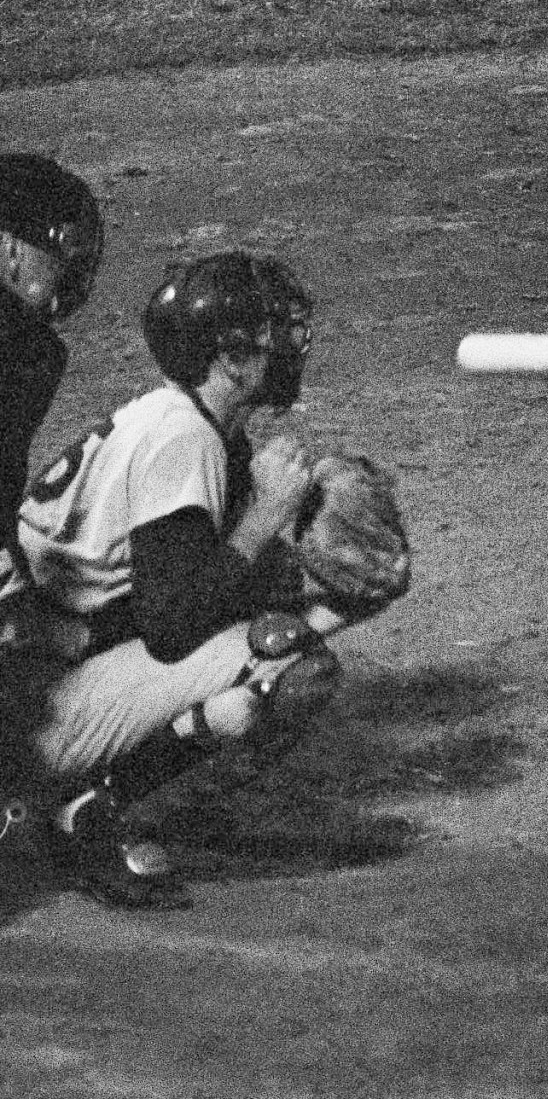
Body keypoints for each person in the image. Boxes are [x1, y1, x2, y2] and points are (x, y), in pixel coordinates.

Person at [2, 250, 343, 909]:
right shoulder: (184, 440)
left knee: (263, 613)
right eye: (272, 334)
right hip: (25, 711)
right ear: (230, 357)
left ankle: (64, 795)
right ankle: (79, 810)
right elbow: (173, 623)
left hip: (29, 673)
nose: (290, 346)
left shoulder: (179, 421)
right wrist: (267, 520)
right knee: (286, 663)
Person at [0, 156, 105, 832]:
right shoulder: (26, 347)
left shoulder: (31, 348)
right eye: (57, 254)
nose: (70, 273)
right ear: (7, 249)